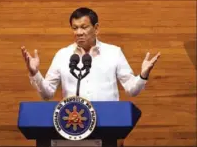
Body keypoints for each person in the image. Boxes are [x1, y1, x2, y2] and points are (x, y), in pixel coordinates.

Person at [21, 7, 160, 101]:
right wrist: (35, 74)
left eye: (84, 27)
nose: (79, 32)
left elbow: (132, 89)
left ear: (96, 28)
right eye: (75, 28)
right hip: (74, 124)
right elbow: (47, 94)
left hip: (108, 123)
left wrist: (143, 75)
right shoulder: (63, 55)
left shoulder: (113, 53)